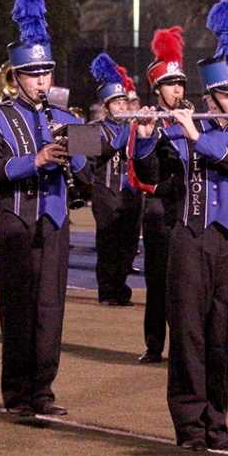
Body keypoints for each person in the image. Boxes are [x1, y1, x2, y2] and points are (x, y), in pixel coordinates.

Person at [132, 0, 228, 452]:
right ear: (212, 96)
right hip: (190, 240)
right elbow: (153, 177)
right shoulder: (181, 127)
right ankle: (190, 428)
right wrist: (143, 142)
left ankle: (217, 424)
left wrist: (199, 140)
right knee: (189, 337)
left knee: (222, 337)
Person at [0, 0, 88, 417]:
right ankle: (18, 394)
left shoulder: (66, 117)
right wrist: (35, 160)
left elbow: (87, 172)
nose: (41, 81)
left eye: (46, 72)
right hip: (18, 221)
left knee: (50, 311)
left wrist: (82, 152)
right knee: (19, 310)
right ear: (16, 77)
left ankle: (43, 391)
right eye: (33, 74)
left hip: (56, 221)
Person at [130, 26, 188, 363]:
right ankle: (155, 344)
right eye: (170, 83)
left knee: (187, 286)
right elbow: (141, 175)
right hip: (160, 212)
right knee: (158, 284)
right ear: (157, 88)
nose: (177, 89)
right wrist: (147, 138)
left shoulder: (191, 119)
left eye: (179, 82)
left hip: (187, 210)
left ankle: (184, 344)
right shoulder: (147, 122)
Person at [88, 53, 139, 306]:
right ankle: (106, 291)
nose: (122, 107)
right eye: (116, 103)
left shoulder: (133, 127)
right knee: (108, 243)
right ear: (106, 107)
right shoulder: (92, 127)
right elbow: (96, 153)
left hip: (131, 194)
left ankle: (121, 288)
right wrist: (126, 135)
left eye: (124, 102)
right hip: (105, 192)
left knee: (128, 245)